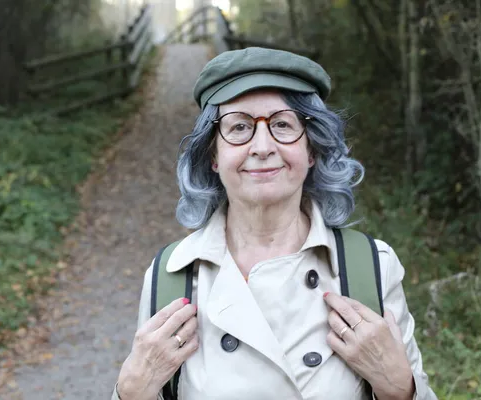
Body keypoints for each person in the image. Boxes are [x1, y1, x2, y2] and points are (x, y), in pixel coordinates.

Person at [112, 47, 437, 400]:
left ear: (311, 150)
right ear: (213, 155)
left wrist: (401, 389)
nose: (262, 146)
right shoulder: (170, 276)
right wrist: (131, 392)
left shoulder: (371, 267)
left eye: (283, 124)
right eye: (239, 127)